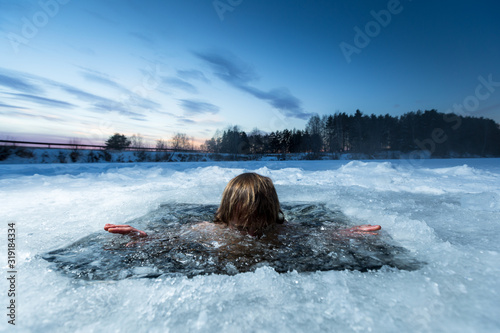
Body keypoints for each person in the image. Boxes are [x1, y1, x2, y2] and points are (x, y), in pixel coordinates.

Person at [104, 172, 381, 238]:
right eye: (242, 224)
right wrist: (145, 237)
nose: (251, 232)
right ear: (226, 215)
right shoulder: (212, 229)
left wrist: (346, 234)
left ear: (271, 215)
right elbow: (174, 237)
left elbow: (313, 233)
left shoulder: (283, 229)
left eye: (258, 223)